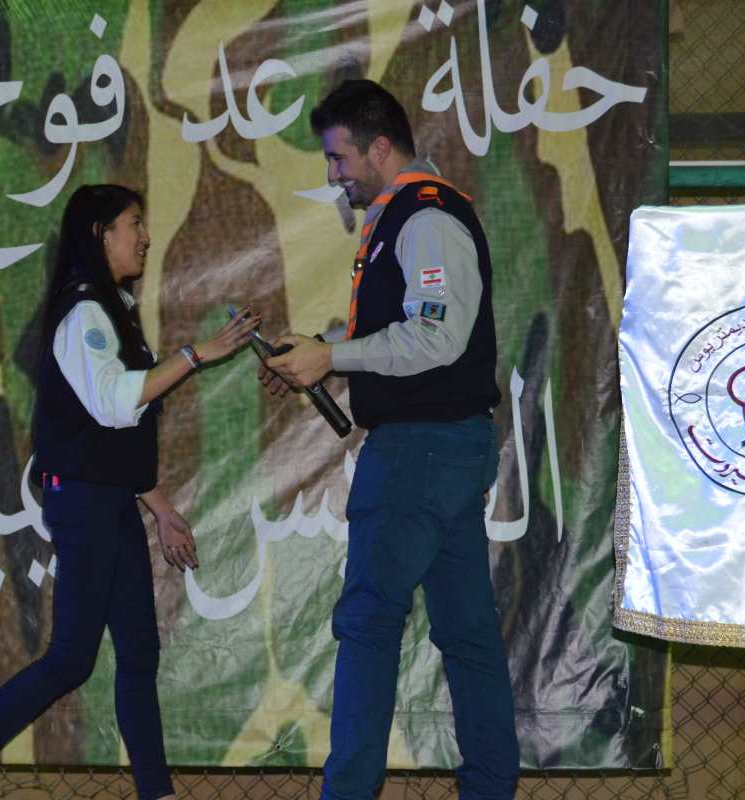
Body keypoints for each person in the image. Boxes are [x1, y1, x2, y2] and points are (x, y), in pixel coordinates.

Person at [0, 184, 260, 800]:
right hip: (85, 501)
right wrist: (195, 354)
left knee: (139, 653)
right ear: (101, 234)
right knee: (71, 659)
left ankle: (157, 793)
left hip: (110, 498)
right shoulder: (84, 312)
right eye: (134, 224)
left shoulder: (112, 308)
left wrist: (161, 509)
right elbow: (112, 404)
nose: (146, 237)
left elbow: (114, 440)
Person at [262, 80, 519, 799]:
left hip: (419, 451)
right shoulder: (404, 217)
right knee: (466, 636)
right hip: (443, 448)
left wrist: (332, 357)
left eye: (338, 158)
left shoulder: (424, 215)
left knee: (369, 623)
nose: (333, 174)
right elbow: (408, 330)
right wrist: (317, 349)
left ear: (379, 148)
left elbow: (435, 337)